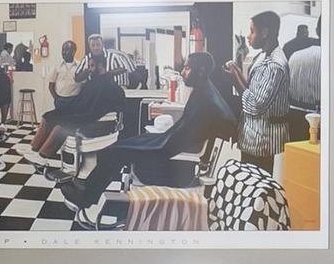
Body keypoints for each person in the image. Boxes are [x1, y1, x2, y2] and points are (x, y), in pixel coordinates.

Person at [77, 50, 240, 202]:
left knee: (115, 150)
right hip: (177, 146)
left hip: (180, 165)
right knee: (125, 144)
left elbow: (180, 139)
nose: (183, 72)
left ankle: (87, 196)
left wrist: (153, 142)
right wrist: (154, 138)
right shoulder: (205, 92)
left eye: (187, 68)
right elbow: (185, 131)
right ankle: (88, 189)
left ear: (201, 70)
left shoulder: (204, 99)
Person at [27, 53, 124, 163]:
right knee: (48, 116)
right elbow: (82, 100)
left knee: (61, 126)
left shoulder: (111, 86)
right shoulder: (92, 82)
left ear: (101, 66)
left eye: (92, 66)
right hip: (81, 111)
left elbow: (110, 106)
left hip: (91, 117)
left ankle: (43, 156)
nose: (90, 69)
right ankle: (33, 150)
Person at [222, 10, 291, 167]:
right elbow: (254, 90)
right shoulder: (262, 56)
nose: (248, 36)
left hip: (264, 141)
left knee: (259, 186)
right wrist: (237, 73)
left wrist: (235, 81)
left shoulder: (275, 64)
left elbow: (255, 105)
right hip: (254, 137)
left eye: (252, 31)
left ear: (265, 32)